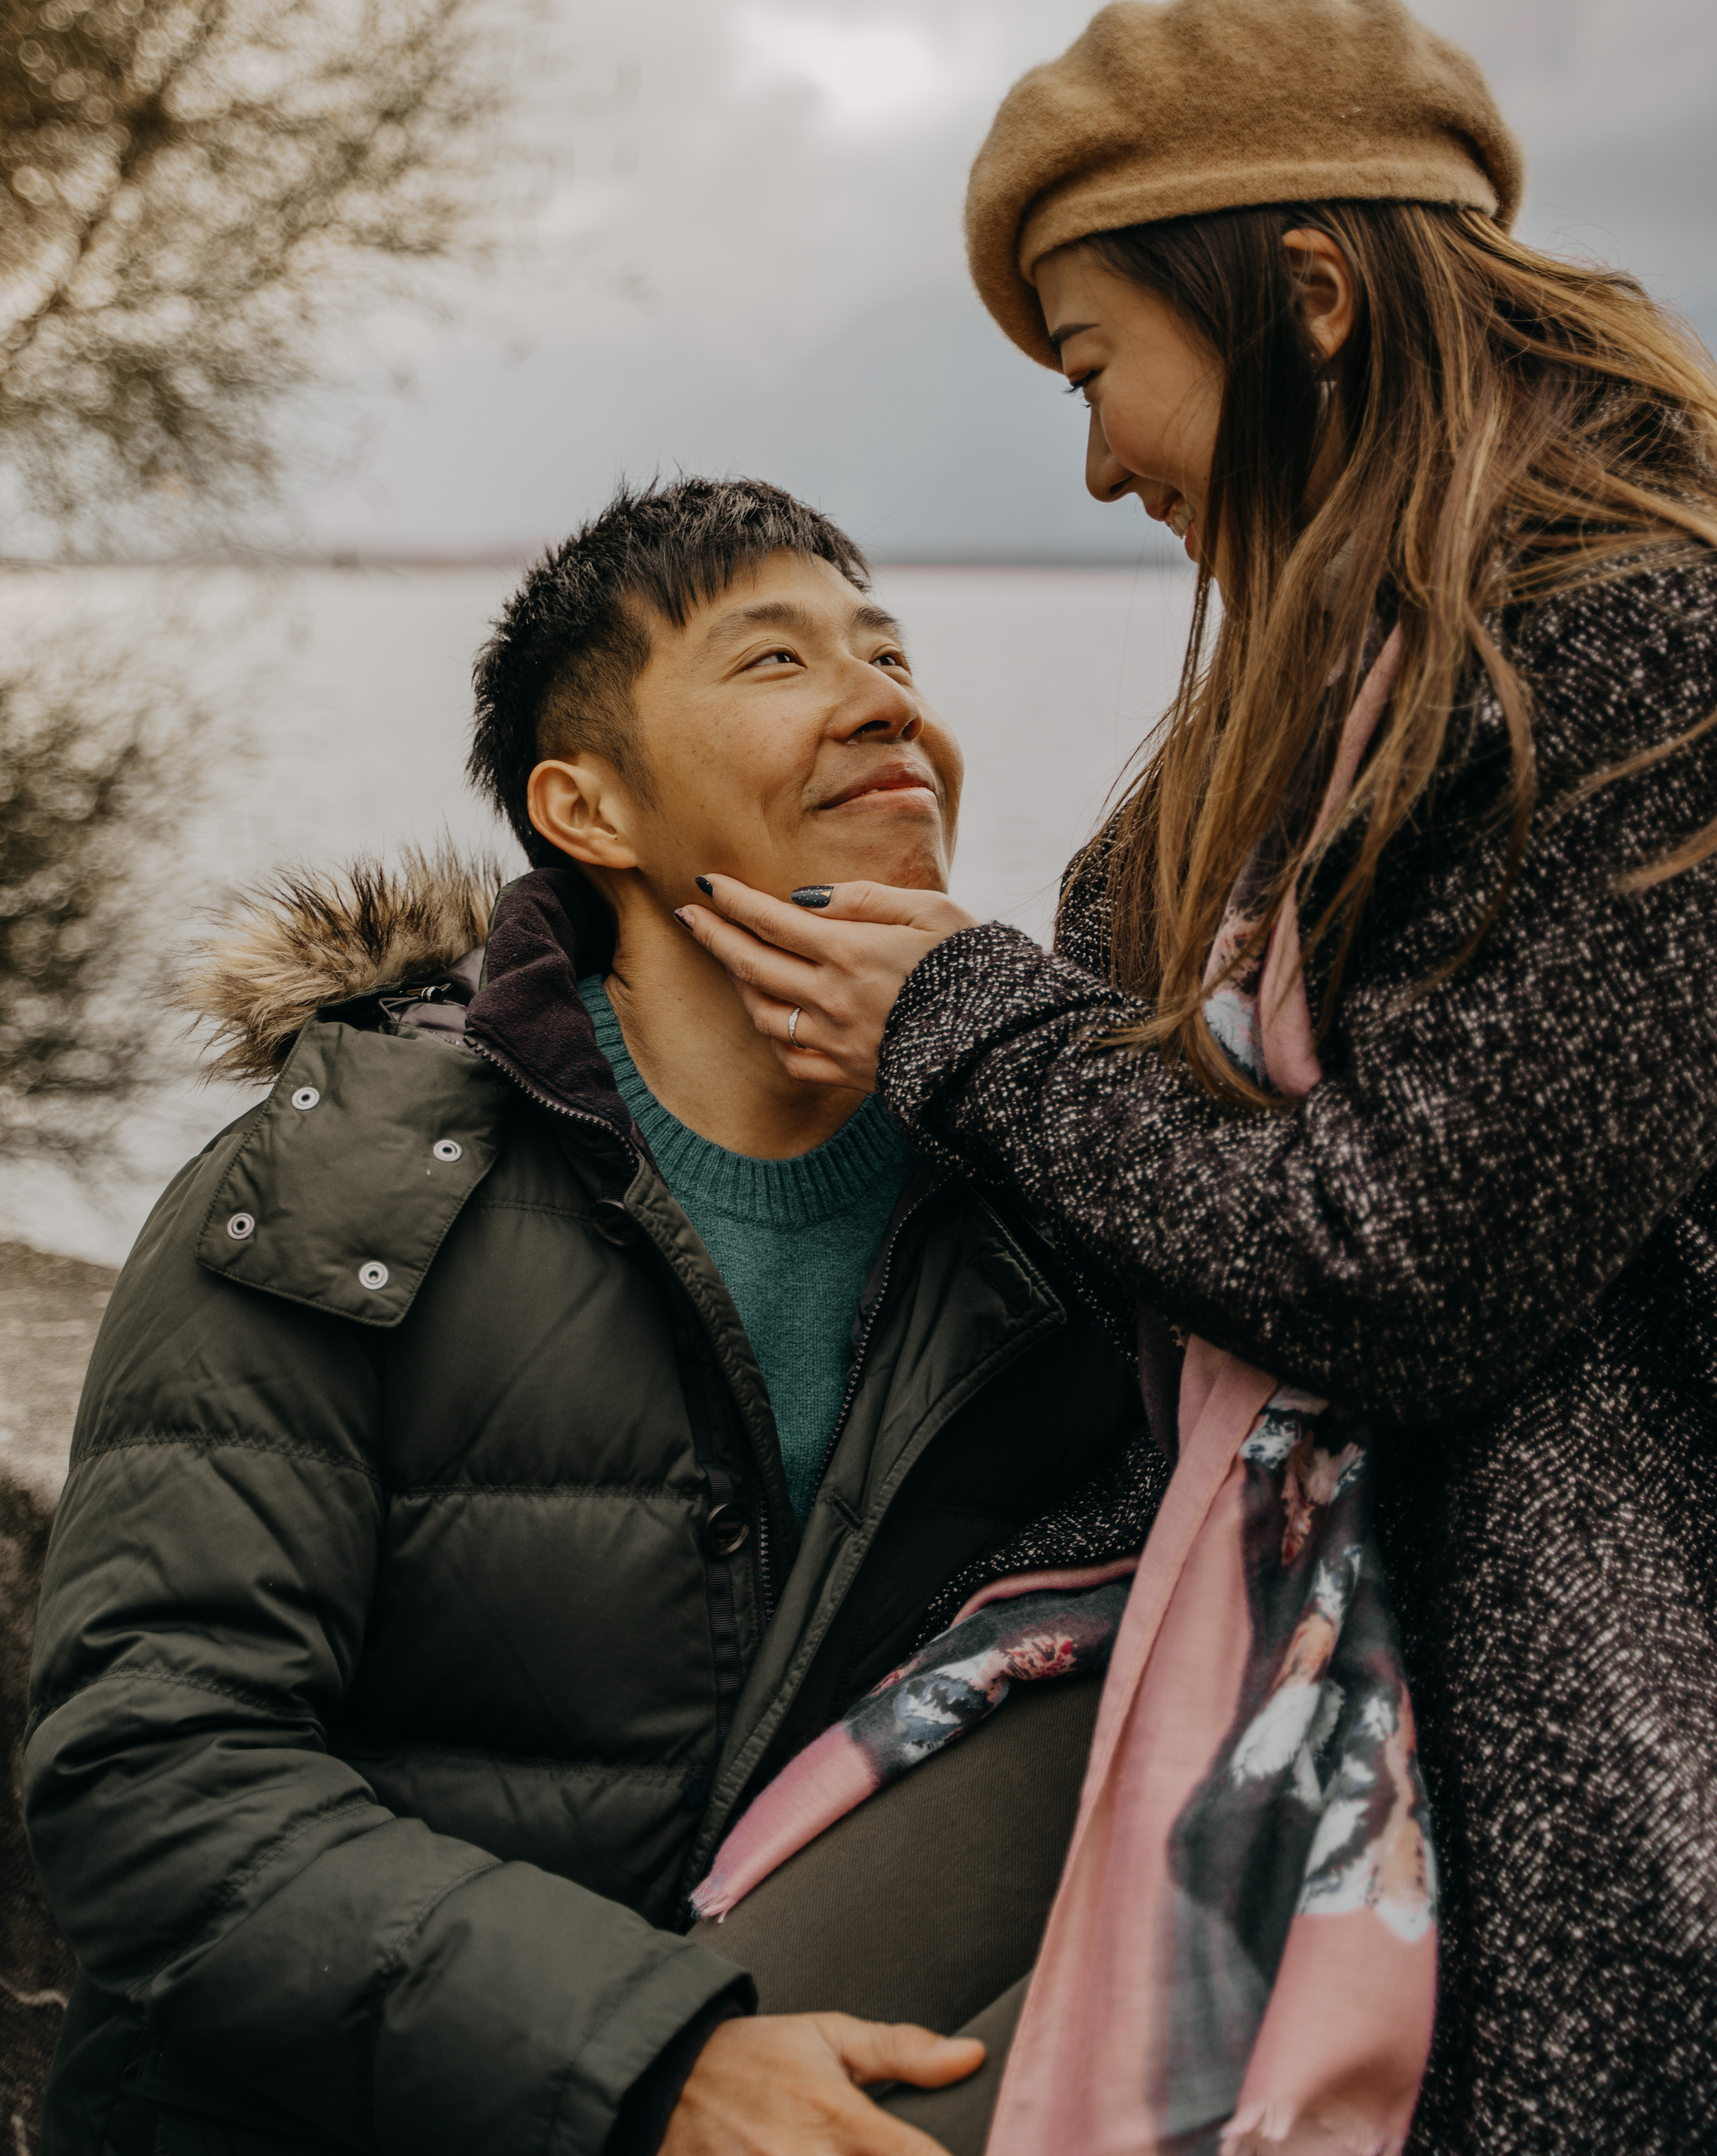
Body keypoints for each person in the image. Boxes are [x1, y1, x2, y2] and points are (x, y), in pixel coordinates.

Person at [680, 0, 1717, 2153]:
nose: (1098, 458)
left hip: (1514, 1697)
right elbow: (1112, 1179)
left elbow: (1410, 1265)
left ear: (1312, 297)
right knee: (690, 2045)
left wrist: (960, 1013)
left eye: (1096, 366)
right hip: (1172, 1594)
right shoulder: (1276, 717)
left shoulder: (1660, 650)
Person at [22, 478, 1152, 2156]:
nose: (885, 701)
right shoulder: (339, 1190)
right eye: (775, 661)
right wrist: (652, 2064)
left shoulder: (1056, 1223)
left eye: (890, 652)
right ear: (590, 807)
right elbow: (152, 1774)